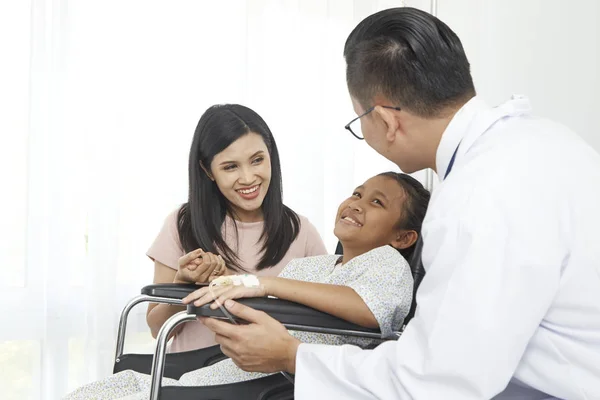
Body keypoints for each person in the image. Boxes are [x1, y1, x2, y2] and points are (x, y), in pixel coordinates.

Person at [201, 7, 600, 400]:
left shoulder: (477, 197)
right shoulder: (549, 142)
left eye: (360, 122)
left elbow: (435, 382)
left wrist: (291, 356)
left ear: (387, 120)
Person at [62, 172, 430, 399]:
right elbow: (263, 309)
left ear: (403, 237)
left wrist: (263, 283)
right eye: (357, 192)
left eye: (376, 202)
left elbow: (367, 310)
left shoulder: (388, 262)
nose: (357, 204)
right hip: (239, 365)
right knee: (107, 388)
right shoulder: (312, 266)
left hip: (285, 378)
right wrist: (216, 291)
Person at [145, 104, 327, 353]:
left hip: (268, 383)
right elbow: (157, 329)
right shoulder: (182, 224)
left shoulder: (301, 232)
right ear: (207, 170)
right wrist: (182, 284)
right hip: (187, 380)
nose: (248, 177)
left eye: (257, 160)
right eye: (231, 167)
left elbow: (323, 325)